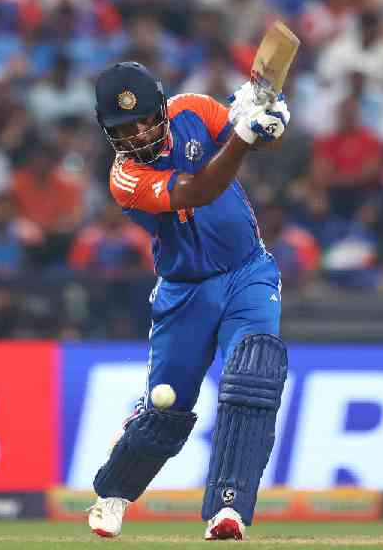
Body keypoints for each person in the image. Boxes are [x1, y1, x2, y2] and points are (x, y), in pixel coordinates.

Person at [86, 61, 290, 540]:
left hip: (248, 271)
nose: (136, 134)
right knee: (168, 411)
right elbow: (199, 189)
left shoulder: (194, 109)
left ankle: (229, 508)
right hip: (185, 291)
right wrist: (243, 135)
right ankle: (114, 490)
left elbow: (260, 138)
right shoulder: (126, 177)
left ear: (160, 107)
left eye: (143, 120)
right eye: (123, 129)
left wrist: (271, 123)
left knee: (254, 373)